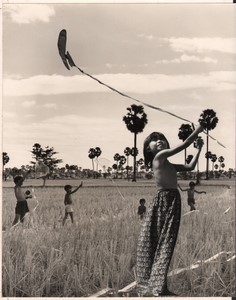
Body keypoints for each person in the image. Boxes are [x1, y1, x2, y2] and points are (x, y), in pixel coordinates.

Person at [136, 125, 204, 296]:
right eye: (154, 139)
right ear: (147, 148)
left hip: (172, 200)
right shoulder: (159, 157)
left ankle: (159, 286)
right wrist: (199, 128)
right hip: (165, 199)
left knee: (164, 242)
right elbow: (184, 144)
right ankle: (157, 287)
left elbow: (189, 167)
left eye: (161, 138)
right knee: (164, 242)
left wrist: (199, 149)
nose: (159, 140)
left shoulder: (168, 163)